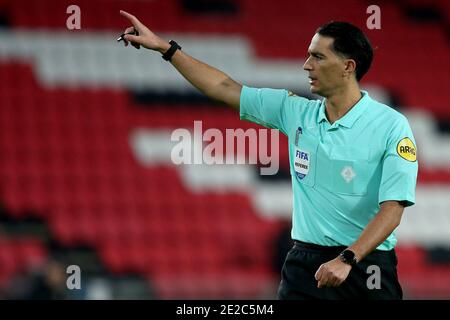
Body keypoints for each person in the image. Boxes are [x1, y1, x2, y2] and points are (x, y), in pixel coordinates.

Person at [118, 11, 418, 299]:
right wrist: (166, 49)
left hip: (367, 265)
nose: (306, 65)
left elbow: (392, 210)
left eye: (317, 56)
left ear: (347, 67)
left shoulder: (391, 126)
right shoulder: (296, 111)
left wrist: (348, 258)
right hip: (306, 263)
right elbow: (224, 87)